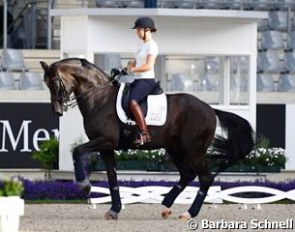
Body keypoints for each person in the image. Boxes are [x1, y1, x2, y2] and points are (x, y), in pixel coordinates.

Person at [126, 16, 158, 145]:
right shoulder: (141, 45)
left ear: (147, 30)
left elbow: (148, 66)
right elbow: (134, 62)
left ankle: (145, 134)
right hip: (138, 79)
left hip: (147, 80)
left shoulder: (152, 46)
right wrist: (126, 68)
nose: (137, 32)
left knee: (132, 101)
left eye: (138, 30)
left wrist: (133, 70)